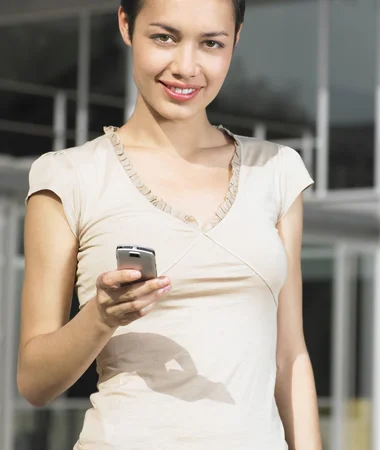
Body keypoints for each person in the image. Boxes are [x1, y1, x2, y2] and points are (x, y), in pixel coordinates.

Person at [17, 0, 322, 448]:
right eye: (165, 37)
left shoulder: (276, 170)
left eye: (211, 43)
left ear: (236, 39)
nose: (186, 66)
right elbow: (34, 382)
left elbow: (289, 356)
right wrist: (100, 317)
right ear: (126, 24)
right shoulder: (69, 177)